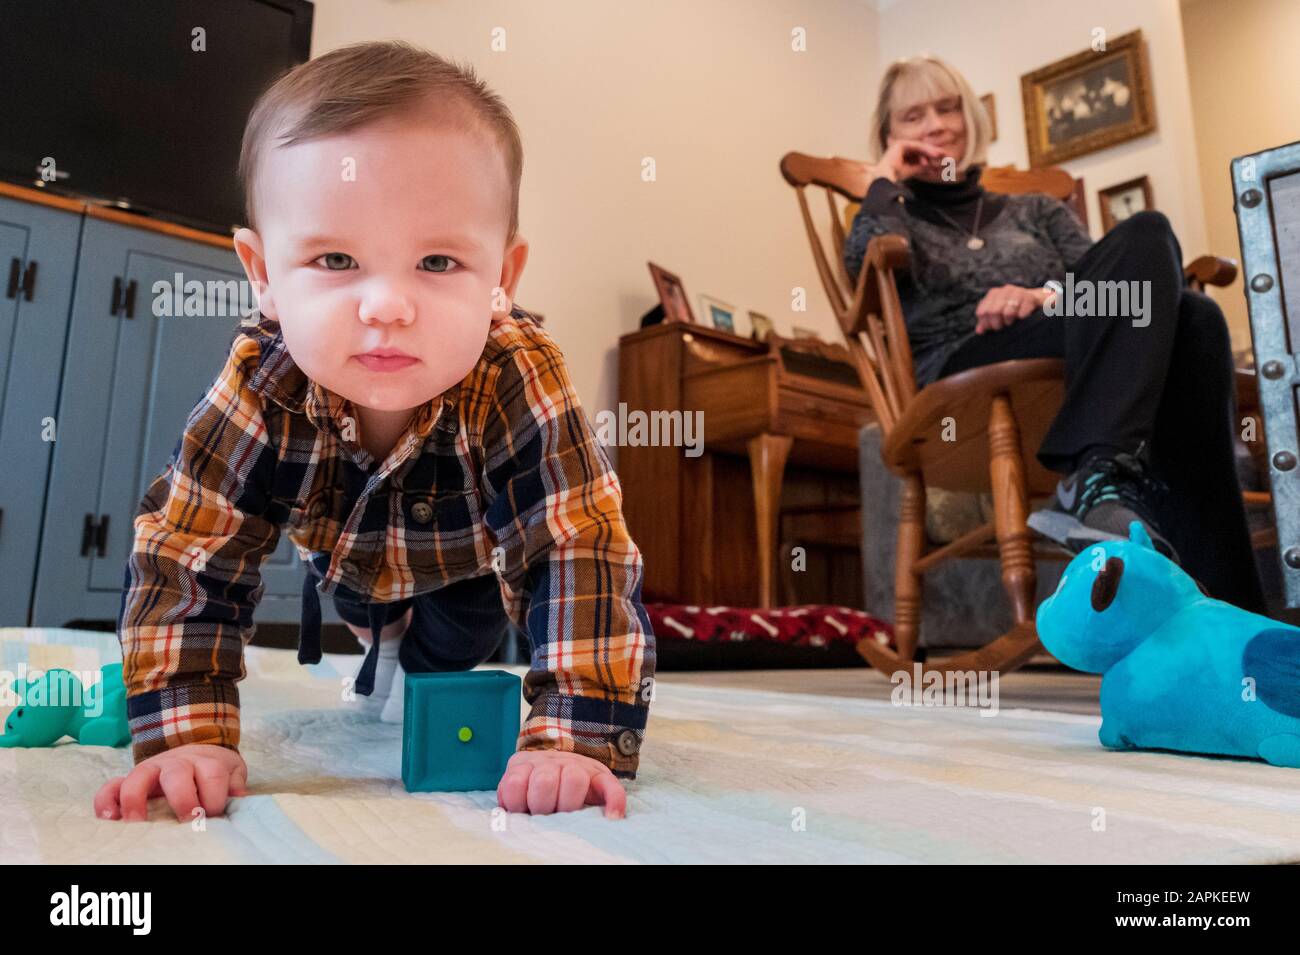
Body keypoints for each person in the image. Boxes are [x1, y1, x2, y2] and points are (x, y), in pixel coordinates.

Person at [98, 40, 656, 824]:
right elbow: (191, 548)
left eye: (436, 261)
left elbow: (575, 544)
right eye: (335, 258)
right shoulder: (262, 381)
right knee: (362, 599)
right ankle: (378, 629)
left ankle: (409, 642)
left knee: (449, 650)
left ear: (504, 278)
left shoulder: (518, 373)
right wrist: (186, 732)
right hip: (346, 549)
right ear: (263, 275)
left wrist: (574, 734)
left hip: (469, 562)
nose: (387, 304)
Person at [842, 54, 1264, 613]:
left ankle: (1207, 593)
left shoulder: (1036, 209)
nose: (936, 125)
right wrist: (881, 182)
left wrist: (1041, 296)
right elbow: (866, 272)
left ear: (971, 117)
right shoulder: (892, 215)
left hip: (1065, 343)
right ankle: (1195, 564)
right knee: (1191, 316)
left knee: (1177, 286)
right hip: (961, 368)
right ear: (889, 135)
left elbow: (1116, 282)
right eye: (913, 117)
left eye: (947, 109)